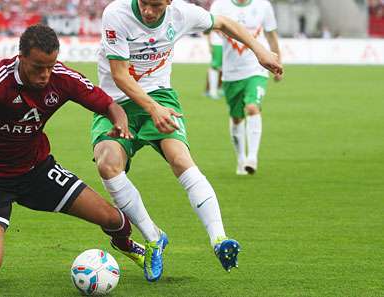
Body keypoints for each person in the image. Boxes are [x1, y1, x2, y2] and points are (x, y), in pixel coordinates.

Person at [92, 0, 283, 281]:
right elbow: (120, 76)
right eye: (144, 4)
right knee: (107, 164)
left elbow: (225, 23)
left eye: (156, 5)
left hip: (160, 96)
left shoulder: (183, 14)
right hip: (116, 102)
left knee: (180, 159)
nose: (148, 11)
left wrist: (260, 50)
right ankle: (153, 237)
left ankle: (219, 238)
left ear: (169, 2)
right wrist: (152, 109)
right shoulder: (116, 14)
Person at [0, 24, 145, 279]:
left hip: (37, 170)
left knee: (113, 220)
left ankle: (125, 245)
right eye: (38, 67)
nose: (45, 74)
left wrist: (119, 121)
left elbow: (108, 104)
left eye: (50, 66)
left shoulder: (62, 78)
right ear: (21, 59)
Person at [210, 0, 283, 175]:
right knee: (236, 118)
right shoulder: (219, 6)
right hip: (231, 72)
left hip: (256, 69)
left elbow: (271, 35)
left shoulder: (263, 6)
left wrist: (277, 61)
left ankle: (252, 157)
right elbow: (210, 31)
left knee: (252, 107)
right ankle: (241, 158)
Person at [205, 30, 224, 100]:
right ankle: (212, 91)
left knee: (223, 67)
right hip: (217, 42)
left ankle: (219, 89)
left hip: (226, 43)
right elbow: (208, 30)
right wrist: (209, 44)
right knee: (215, 66)